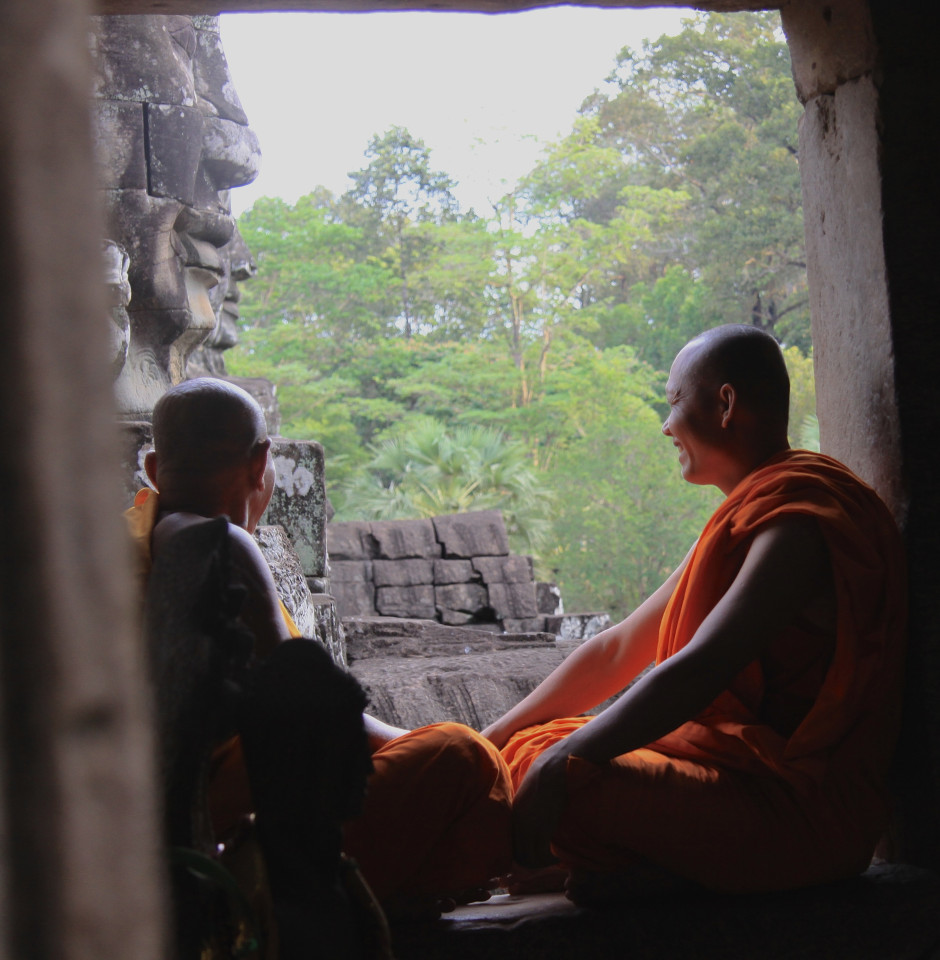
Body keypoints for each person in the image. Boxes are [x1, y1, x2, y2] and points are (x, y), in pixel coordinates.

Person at [483, 324, 907, 900]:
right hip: (736, 783)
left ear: (726, 404)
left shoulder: (799, 523)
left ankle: (656, 873)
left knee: (566, 776)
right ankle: (638, 867)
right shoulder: (748, 513)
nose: (666, 425)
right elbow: (618, 647)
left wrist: (562, 762)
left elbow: (704, 664)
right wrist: (495, 735)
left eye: (675, 402)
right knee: (519, 753)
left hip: (796, 812)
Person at [125, 378, 512, 919]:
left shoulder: (116, 548)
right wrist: (436, 744)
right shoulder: (223, 543)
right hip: (233, 848)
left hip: (124, 838)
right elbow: (309, 719)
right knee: (464, 756)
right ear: (262, 464)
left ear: (152, 469)